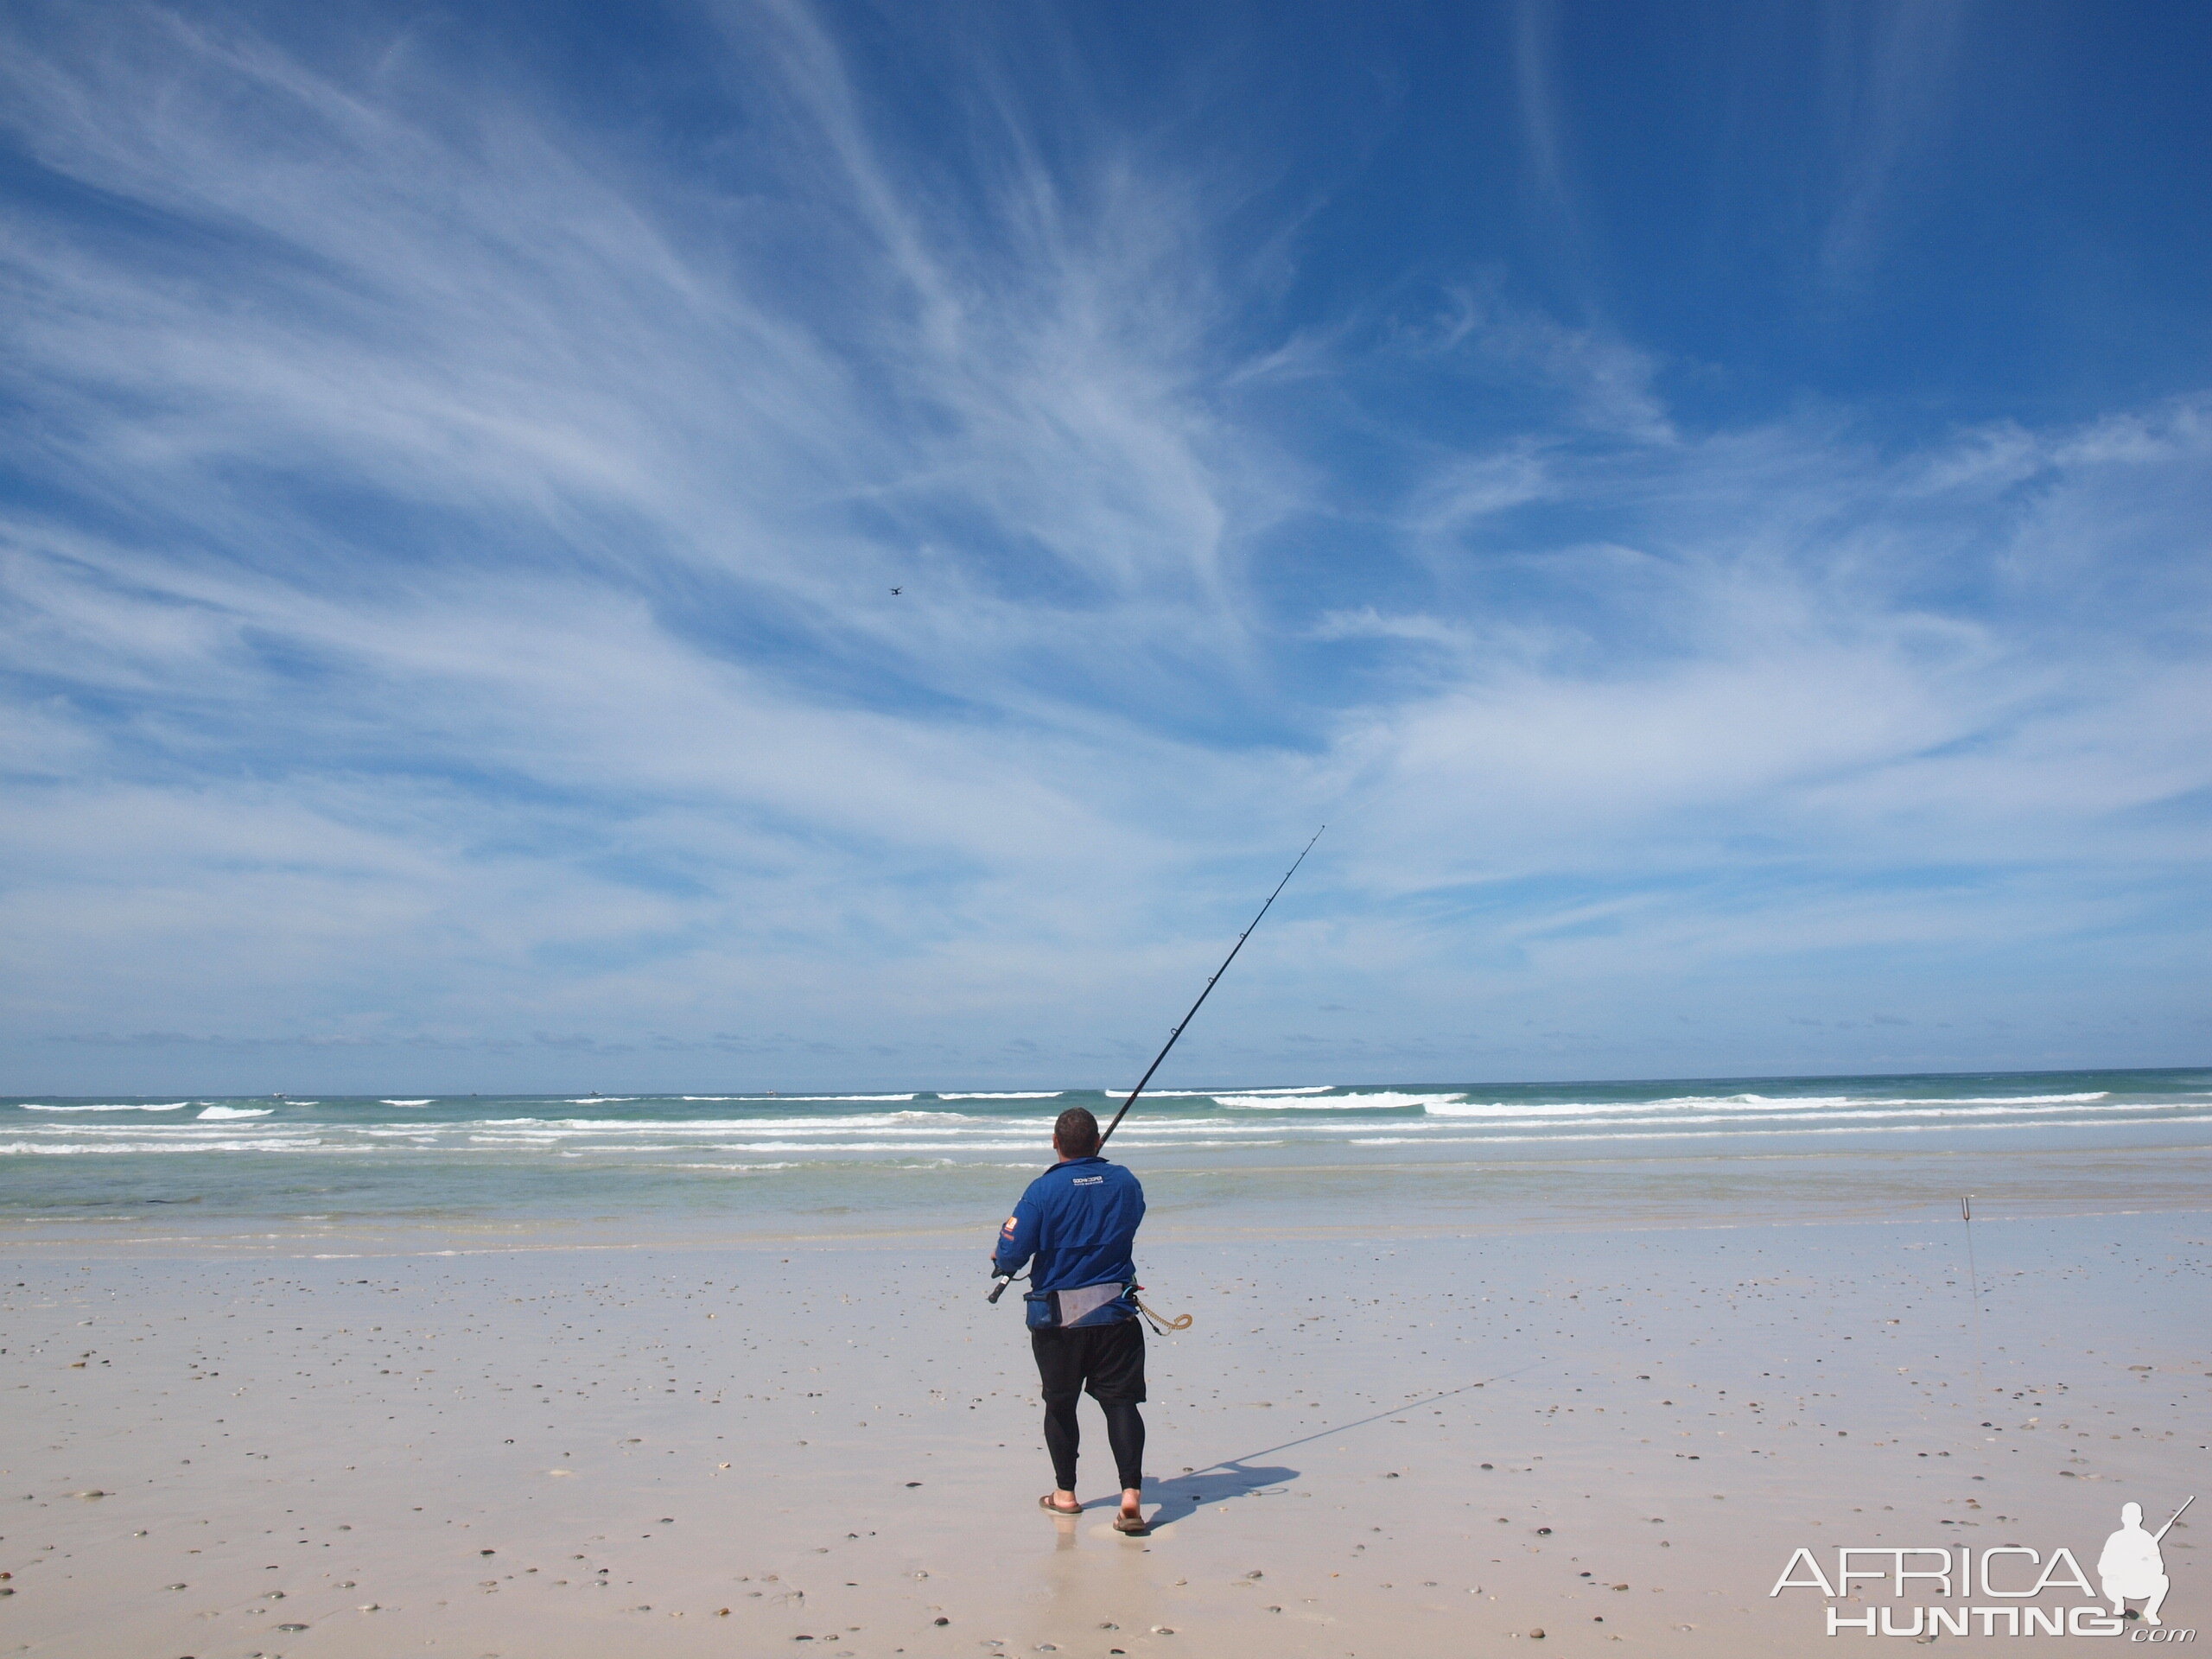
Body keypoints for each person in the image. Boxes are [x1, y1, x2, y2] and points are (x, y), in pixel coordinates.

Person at [991, 1105, 1150, 1533]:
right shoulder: (1125, 1181)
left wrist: (1002, 1258)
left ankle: (1065, 1495)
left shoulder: (1043, 1190)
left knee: (1061, 1404)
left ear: (1056, 1144)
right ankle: (1131, 1495)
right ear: (1097, 1143)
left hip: (1058, 1321)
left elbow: (1011, 1251)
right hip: (1116, 1314)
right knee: (1121, 1403)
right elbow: (1132, 1219)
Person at [2098, 1502, 2171, 1625]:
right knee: (2108, 1579)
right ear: (2123, 1519)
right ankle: (2119, 1603)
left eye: (2134, 1518)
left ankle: (2151, 1612)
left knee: (2163, 1580)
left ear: (2140, 1519)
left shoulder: (2147, 1539)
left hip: (2140, 1585)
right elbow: (2102, 1567)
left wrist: (2145, 1563)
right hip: (2118, 1585)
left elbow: (2159, 1568)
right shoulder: (2115, 1538)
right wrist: (2118, 1569)